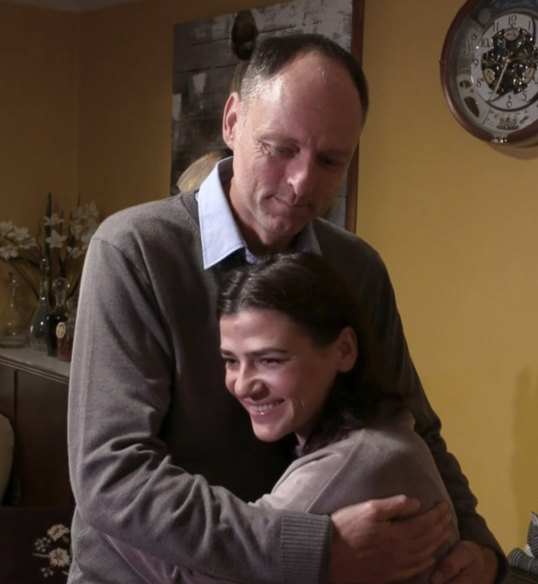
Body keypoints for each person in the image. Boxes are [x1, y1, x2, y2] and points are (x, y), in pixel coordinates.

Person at [67, 33, 505, 584]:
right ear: (231, 122)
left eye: (329, 160)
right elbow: (112, 475)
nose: (302, 184)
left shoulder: (358, 269)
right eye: (280, 148)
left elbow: (413, 421)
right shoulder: (133, 250)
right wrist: (309, 548)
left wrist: (481, 547)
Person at [107, 251, 461, 584]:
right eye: (231, 361)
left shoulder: (354, 461)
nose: (243, 385)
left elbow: (197, 577)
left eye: (270, 360)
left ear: (344, 350)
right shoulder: (387, 430)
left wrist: (109, 511)